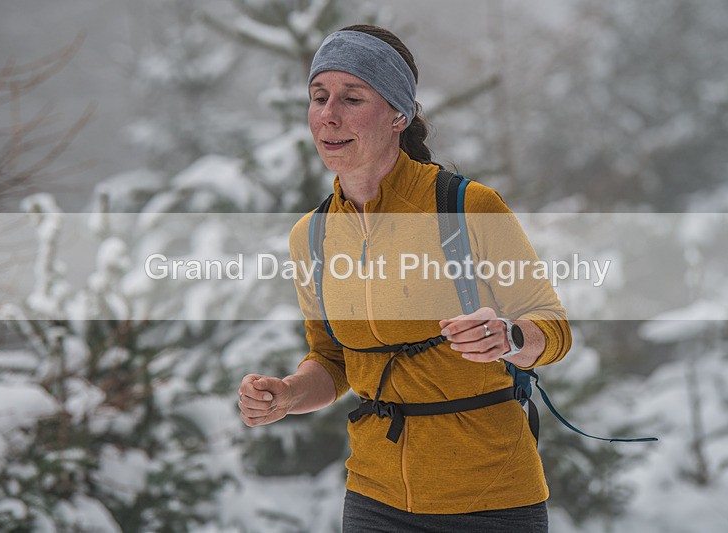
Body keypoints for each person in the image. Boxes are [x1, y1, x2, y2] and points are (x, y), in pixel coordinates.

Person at [237, 24, 571, 533]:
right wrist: (286, 394)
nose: (329, 115)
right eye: (319, 97)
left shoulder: (464, 208)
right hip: (375, 499)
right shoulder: (312, 237)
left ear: (399, 114)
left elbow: (554, 329)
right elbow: (331, 361)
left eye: (352, 98)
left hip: (490, 496)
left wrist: (508, 336)